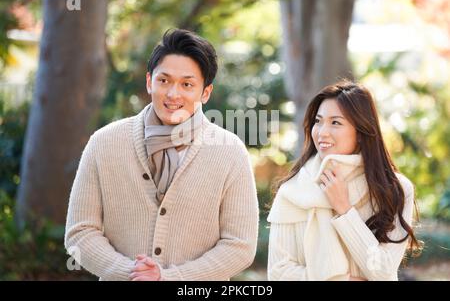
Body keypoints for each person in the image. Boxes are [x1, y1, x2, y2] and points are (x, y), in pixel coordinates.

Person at [65, 29, 259, 281]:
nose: (172, 94)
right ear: (149, 81)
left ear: (205, 93)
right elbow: (80, 232)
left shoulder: (229, 152)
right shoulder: (104, 143)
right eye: (164, 80)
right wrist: (132, 274)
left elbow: (240, 245)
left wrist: (170, 278)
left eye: (187, 84)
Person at [267, 80, 421, 281]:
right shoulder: (293, 190)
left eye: (335, 122)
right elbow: (278, 272)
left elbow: (383, 272)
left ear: (361, 132)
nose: (322, 132)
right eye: (318, 121)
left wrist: (345, 210)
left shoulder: (396, 189)